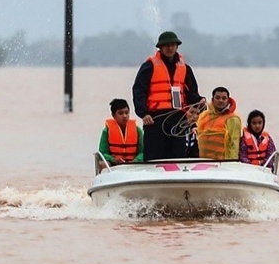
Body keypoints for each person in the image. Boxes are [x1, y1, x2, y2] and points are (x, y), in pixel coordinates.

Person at [131, 31, 202, 161]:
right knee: (154, 156)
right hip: (154, 118)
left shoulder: (185, 68)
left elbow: (191, 92)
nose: (170, 48)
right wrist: (144, 113)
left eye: (173, 45)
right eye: (166, 45)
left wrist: (199, 101)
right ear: (160, 47)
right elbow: (139, 91)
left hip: (178, 118)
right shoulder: (149, 66)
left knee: (178, 155)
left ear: (177, 46)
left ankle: (178, 178)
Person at [195, 86, 241, 160]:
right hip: (204, 161)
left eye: (224, 98)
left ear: (228, 100)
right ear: (212, 99)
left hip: (222, 163)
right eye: (217, 97)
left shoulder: (233, 119)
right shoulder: (204, 115)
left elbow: (234, 144)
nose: (220, 100)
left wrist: (232, 162)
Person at [98, 98, 143, 165]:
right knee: (103, 164)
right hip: (114, 164)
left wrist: (136, 160)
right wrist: (113, 159)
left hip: (134, 164)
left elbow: (143, 152)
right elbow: (103, 153)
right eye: (120, 113)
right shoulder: (106, 131)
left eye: (126, 113)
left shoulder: (137, 130)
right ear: (113, 115)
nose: (124, 116)